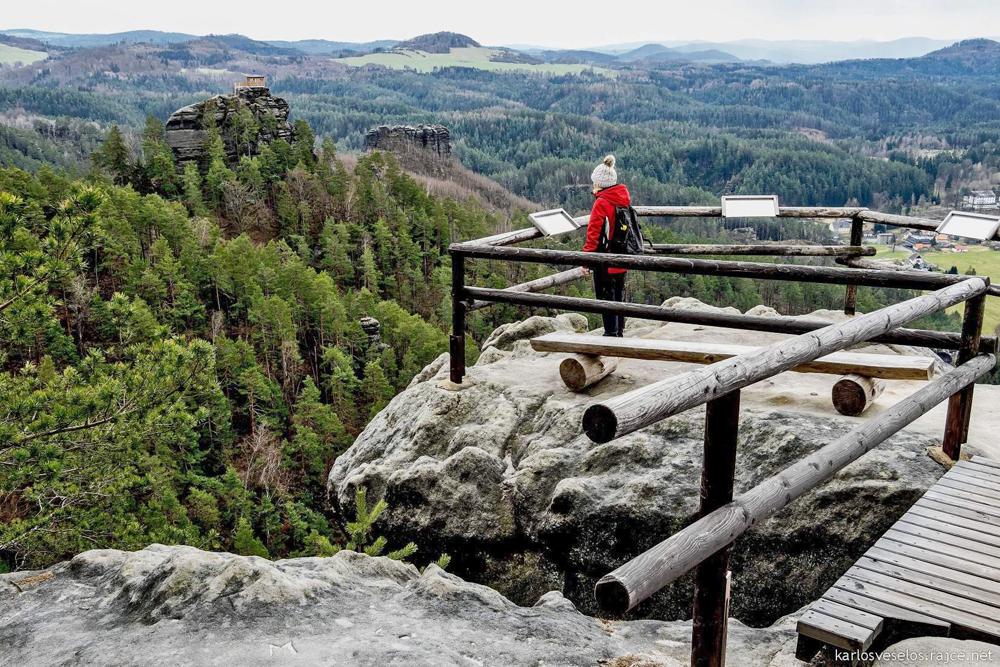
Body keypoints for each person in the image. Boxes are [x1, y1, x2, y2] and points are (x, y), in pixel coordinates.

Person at [582, 154, 630, 337]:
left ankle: (610, 334)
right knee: (618, 295)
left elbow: (593, 234)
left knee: (605, 297)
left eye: (594, 182)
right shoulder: (622, 199)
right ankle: (619, 332)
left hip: (604, 260)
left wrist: (585, 261)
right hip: (622, 257)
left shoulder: (602, 203)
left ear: (599, 183)